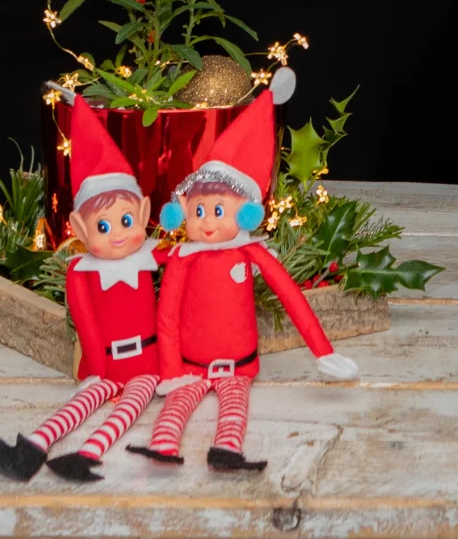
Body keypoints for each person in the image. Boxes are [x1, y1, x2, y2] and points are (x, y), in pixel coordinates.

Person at [130, 91, 360, 472]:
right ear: (182, 212)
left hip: (240, 365)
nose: (206, 221)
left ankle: (228, 452)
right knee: (176, 403)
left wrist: (324, 352)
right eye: (199, 210)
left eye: (218, 210)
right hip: (189, 365)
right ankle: (163, 445)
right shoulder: (183, 258)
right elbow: (166, 317)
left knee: (235, 408)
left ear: (247, 213)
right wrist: (171, 372)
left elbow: (292, 298)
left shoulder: (250, 254)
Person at [0, 96, 164, 483]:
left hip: (149, 365)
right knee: (82, 401)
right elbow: (85, 322)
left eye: (126, 220)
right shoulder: (81, 272)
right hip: (104, 365)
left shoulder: (153, 258)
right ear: (81, 231)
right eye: (103, 227)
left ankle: (87, 454)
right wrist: (97, 371)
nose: (117, 234)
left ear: (146, 215)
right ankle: (31, 447)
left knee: (129, 408)